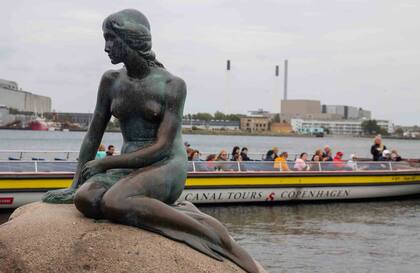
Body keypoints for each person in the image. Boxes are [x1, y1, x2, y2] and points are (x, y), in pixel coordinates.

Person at [42, 9, 258, 273]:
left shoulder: (172, 84)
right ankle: (168, 210)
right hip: (129, 166)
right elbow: (93, 134)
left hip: (165, 164)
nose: (106, 47)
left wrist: (106, 163)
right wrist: (75, 184)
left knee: (115, 202)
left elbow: (163, 147)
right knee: (86, 199)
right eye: (105, 39)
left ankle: (216, 238)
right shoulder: (111, 81)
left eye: (111, 39)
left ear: (132, 39)